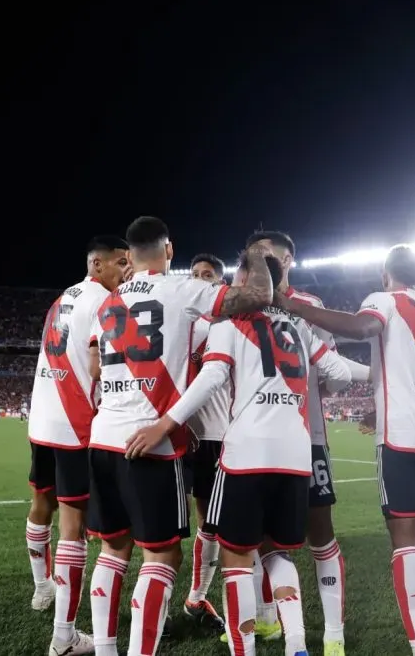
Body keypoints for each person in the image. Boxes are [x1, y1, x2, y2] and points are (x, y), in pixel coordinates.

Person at [139, 254, 353, 656]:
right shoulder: (301, 327)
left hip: (246, 452)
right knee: (279, 551)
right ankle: (295, 645)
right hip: (295, 456)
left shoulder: (231, 323)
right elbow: (338, 374)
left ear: (249, 281)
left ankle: (244, 650)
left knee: (238, 558)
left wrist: (167, 422)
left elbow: (213, 375)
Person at [84, 216, 274, 656]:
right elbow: (259, 296)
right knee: (161, 559)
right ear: (169, 251)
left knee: (112, 553)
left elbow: (94, 368)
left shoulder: (108, 302)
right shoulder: (186, 290)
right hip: (151, 442)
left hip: (103, 438)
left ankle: (107, 648)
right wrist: (260, 255)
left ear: (127, 256)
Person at [276, 244, 415, 656]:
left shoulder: (384, 300)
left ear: (385, 275)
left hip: (404, 435)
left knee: (406, 538)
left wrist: (298, 309)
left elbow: (362, 329)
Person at [244, 231, 369, 656]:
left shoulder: (309, 308)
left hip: (307, 438)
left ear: (289, 259)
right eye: (258, 256)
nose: (266, 262)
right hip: (258, 440)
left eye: (272, 255)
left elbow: (334, 374)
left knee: (320, 535)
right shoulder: (242, 303)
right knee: (261, 539)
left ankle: (333, 633)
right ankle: (271, 622)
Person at [27, 235, 131, 656]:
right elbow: (99, 366)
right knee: (74, 528)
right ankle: (64, 637)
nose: (126, 270)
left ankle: (41, 589)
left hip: (42, 420)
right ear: (97, 264)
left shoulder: (61, 298)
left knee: (41, 503)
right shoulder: (103, 303)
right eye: (120, 263)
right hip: (74, 424)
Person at [181, 253, 230, 633]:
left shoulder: (230, 323)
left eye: (208, 275)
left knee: (218, 525)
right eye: (195, 275)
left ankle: (198, 596)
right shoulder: (184, 324)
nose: (200, 280)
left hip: (227, 436)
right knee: (203, 525)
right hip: (194, 438)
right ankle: (195, 597)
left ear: (221, 284)